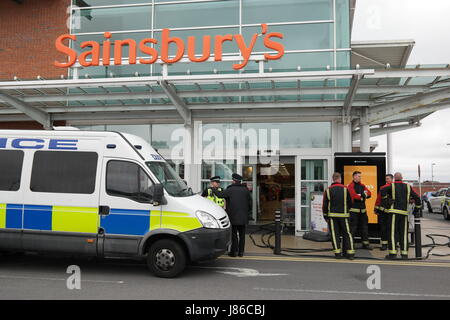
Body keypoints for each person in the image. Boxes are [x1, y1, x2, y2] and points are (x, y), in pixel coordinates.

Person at [381, 172, 421, 260]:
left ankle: (392, 254)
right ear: (402, 177)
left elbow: (382, 190)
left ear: (394, 178)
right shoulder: (408, 186)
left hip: (393, 213)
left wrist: (387, 200)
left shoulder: (390, 186)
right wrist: (417, 208)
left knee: (392, 234)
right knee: (404, 234)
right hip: (404, 214)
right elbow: (417, 197)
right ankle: (404, 254)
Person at [212, 173, 252, 257]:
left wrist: (214, 189)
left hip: (233, 216)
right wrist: (248, 214)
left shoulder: (230, 189)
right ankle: (241, 252)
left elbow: (220, 195)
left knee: (234, 235)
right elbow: (250, 204)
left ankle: (234, 252)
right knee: (242, 235)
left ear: (233, 181)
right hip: (243, 217)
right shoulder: (246, 190)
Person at [322, 172, 355, 260]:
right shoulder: (346, 189)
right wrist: (347, 211)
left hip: (332, 216)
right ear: (340, 179)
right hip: (344, 215)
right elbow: (350, 202)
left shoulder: (328, 190)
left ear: (333, 179)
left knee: (334, 234)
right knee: (347, 234)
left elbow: (324, 205)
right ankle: (350, 253)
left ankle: (337, 254)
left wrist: (326, 216)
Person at [348, 171, 372, 250]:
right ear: (354, 177)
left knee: (364, 228)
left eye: (360, 176)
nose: (360, 177)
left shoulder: (362, 185)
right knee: (353, 229)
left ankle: (365, 244)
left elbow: (369, 193)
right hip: (354, 212)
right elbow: (354, 196)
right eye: (358, 176)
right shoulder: (350, 186)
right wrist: (362, 196)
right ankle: (351, 245)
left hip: (363, 211)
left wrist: (362, 195)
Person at [374, 174, 394, 250]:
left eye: (388, 179)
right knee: (383, 228)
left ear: (392, 179)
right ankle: (384, 244)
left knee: (391, 229)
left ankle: (390, 244)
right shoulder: (382, 188)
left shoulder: (394, 187)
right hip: (383, 212)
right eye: (386, 179)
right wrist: (376, 208)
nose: (387, 180)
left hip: (392, 212)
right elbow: (378, 198)